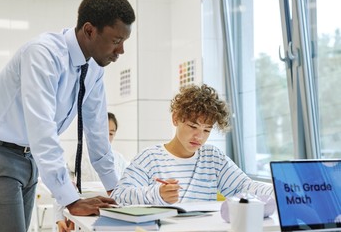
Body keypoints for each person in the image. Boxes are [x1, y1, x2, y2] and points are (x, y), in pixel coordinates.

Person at [0, 0, 135, 232]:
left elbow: (97, 133)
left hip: (27, 158)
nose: (121, 51)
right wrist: (72, 201)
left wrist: (117, 191)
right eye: (116, 41)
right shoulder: (43, 54)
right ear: (90, 30)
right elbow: (42, 129)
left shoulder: (94, 69)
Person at [110, 84, 273, 206]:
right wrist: (157, 194)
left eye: (207, 130)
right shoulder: (150, 158)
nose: (199, 137)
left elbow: (245, 187)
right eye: (193, 126)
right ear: (175, 118)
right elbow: (119, 196)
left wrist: (279, 192)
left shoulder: (213, 158)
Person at [55, 112, 129, 232]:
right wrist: (60, 217)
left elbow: (125, 191)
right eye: (104, 132)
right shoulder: (79, 157)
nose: (107, 137)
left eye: (111, 133)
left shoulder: (120, 159)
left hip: (110, 216)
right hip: (82, 217)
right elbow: (64, 187)